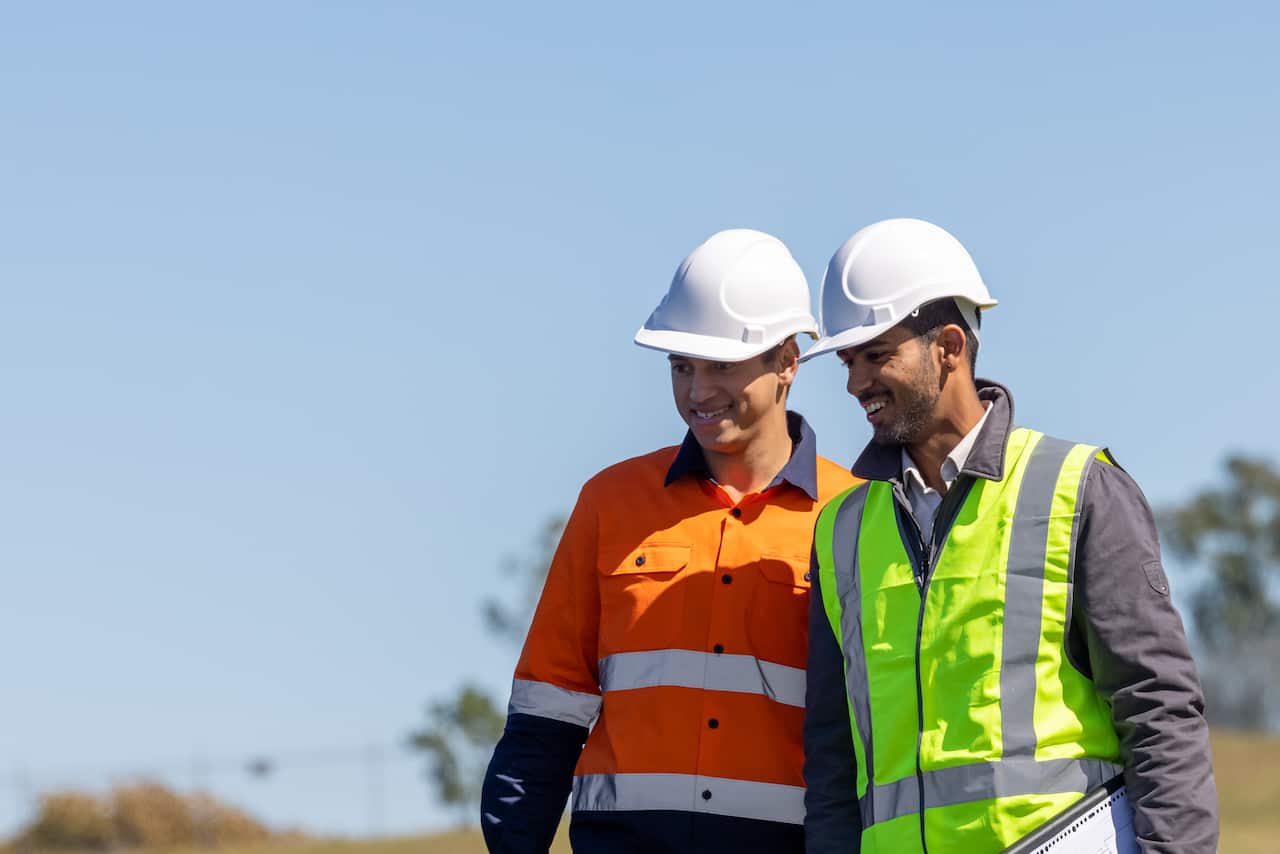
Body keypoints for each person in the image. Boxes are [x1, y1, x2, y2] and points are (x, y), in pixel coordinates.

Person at [800, 218, 1218, 854]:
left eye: (877, 355)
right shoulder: (840, 532)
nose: (855, 383)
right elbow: (833, 763)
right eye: (848, 361)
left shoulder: (1079, 490)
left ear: (948, 346)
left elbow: (1157, 708)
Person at [479, 229, 859, 853]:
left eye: (721, 366)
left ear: (788, 361)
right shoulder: (610, 501)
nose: (697, 391)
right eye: (681, 366)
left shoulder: (853, 514)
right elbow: (548, 709)